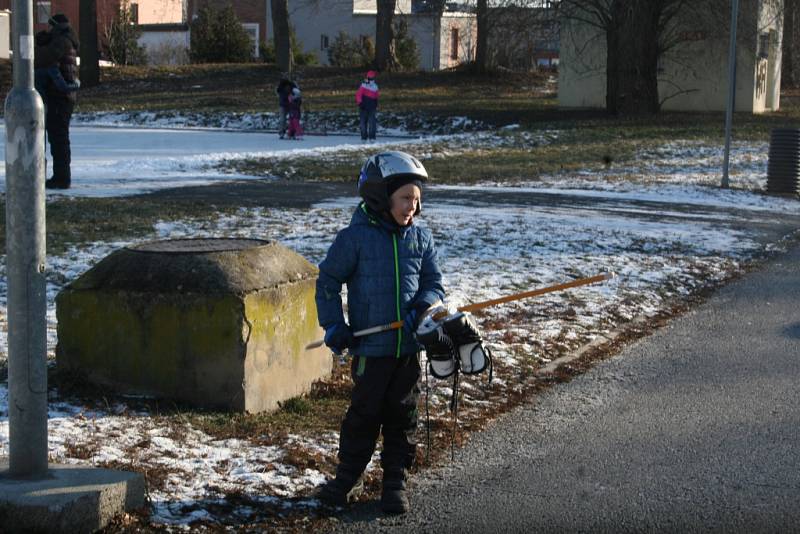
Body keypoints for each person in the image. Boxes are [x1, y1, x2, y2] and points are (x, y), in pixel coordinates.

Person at [315, 151, 445, 514]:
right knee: (364, 416)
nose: (412, 208)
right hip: (371, 350)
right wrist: (334, 325)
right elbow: (327, 282)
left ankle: (394, 483)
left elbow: (434, 283)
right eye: (405, 198)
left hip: (407, 350)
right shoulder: (355, 239)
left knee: (403, 417)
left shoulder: (420, 239)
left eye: (417, 201)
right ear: (379, 196)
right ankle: (348, 477)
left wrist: (426, 303)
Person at [34, 14, 79, 190]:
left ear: (55, 26)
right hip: (61, 96)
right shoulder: (64, 40)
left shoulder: (62, 42)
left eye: (50, 27)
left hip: (60, 97)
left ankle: (62, 177)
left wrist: (40, 45)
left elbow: (42, 59)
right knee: (58, 137)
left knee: (58, 138)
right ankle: (60, 176)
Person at [355, 70, 379, 142]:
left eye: (373, 78)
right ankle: (364, 137)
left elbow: (376, 97)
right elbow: (358, 95)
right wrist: (360, 103)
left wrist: (375, 104)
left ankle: (372, 137)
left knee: (372, 123)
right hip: (363, 107)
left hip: (371, 108)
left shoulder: (375, 87)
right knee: (363, 123)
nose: (371, 79)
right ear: (368, 77)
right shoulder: (363, 85)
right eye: (370, 78)